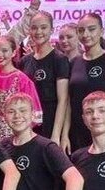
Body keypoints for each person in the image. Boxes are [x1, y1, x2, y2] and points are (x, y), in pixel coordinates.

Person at [65, 13, 105, 151]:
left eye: (91, 29)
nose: (86, 34)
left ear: (101, 31)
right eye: (81, 30)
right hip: (77, 132)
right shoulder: (73, 63)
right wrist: (64, 134)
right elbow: (68, 102)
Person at [0, 35, 42, 140]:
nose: (0, 55)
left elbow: (33, 115)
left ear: (13, 53)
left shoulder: (23, 80)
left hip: (15, 131)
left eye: (4, 51)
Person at [18, 11, 69, 141]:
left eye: (43, 27)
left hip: (50, 123)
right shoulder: (24, 61)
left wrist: (56, 134)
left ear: (51, 30)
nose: (38, 32)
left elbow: (63, 100)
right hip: (29, 124)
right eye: (34, 28)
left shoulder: (59, 59)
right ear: (29, 30)